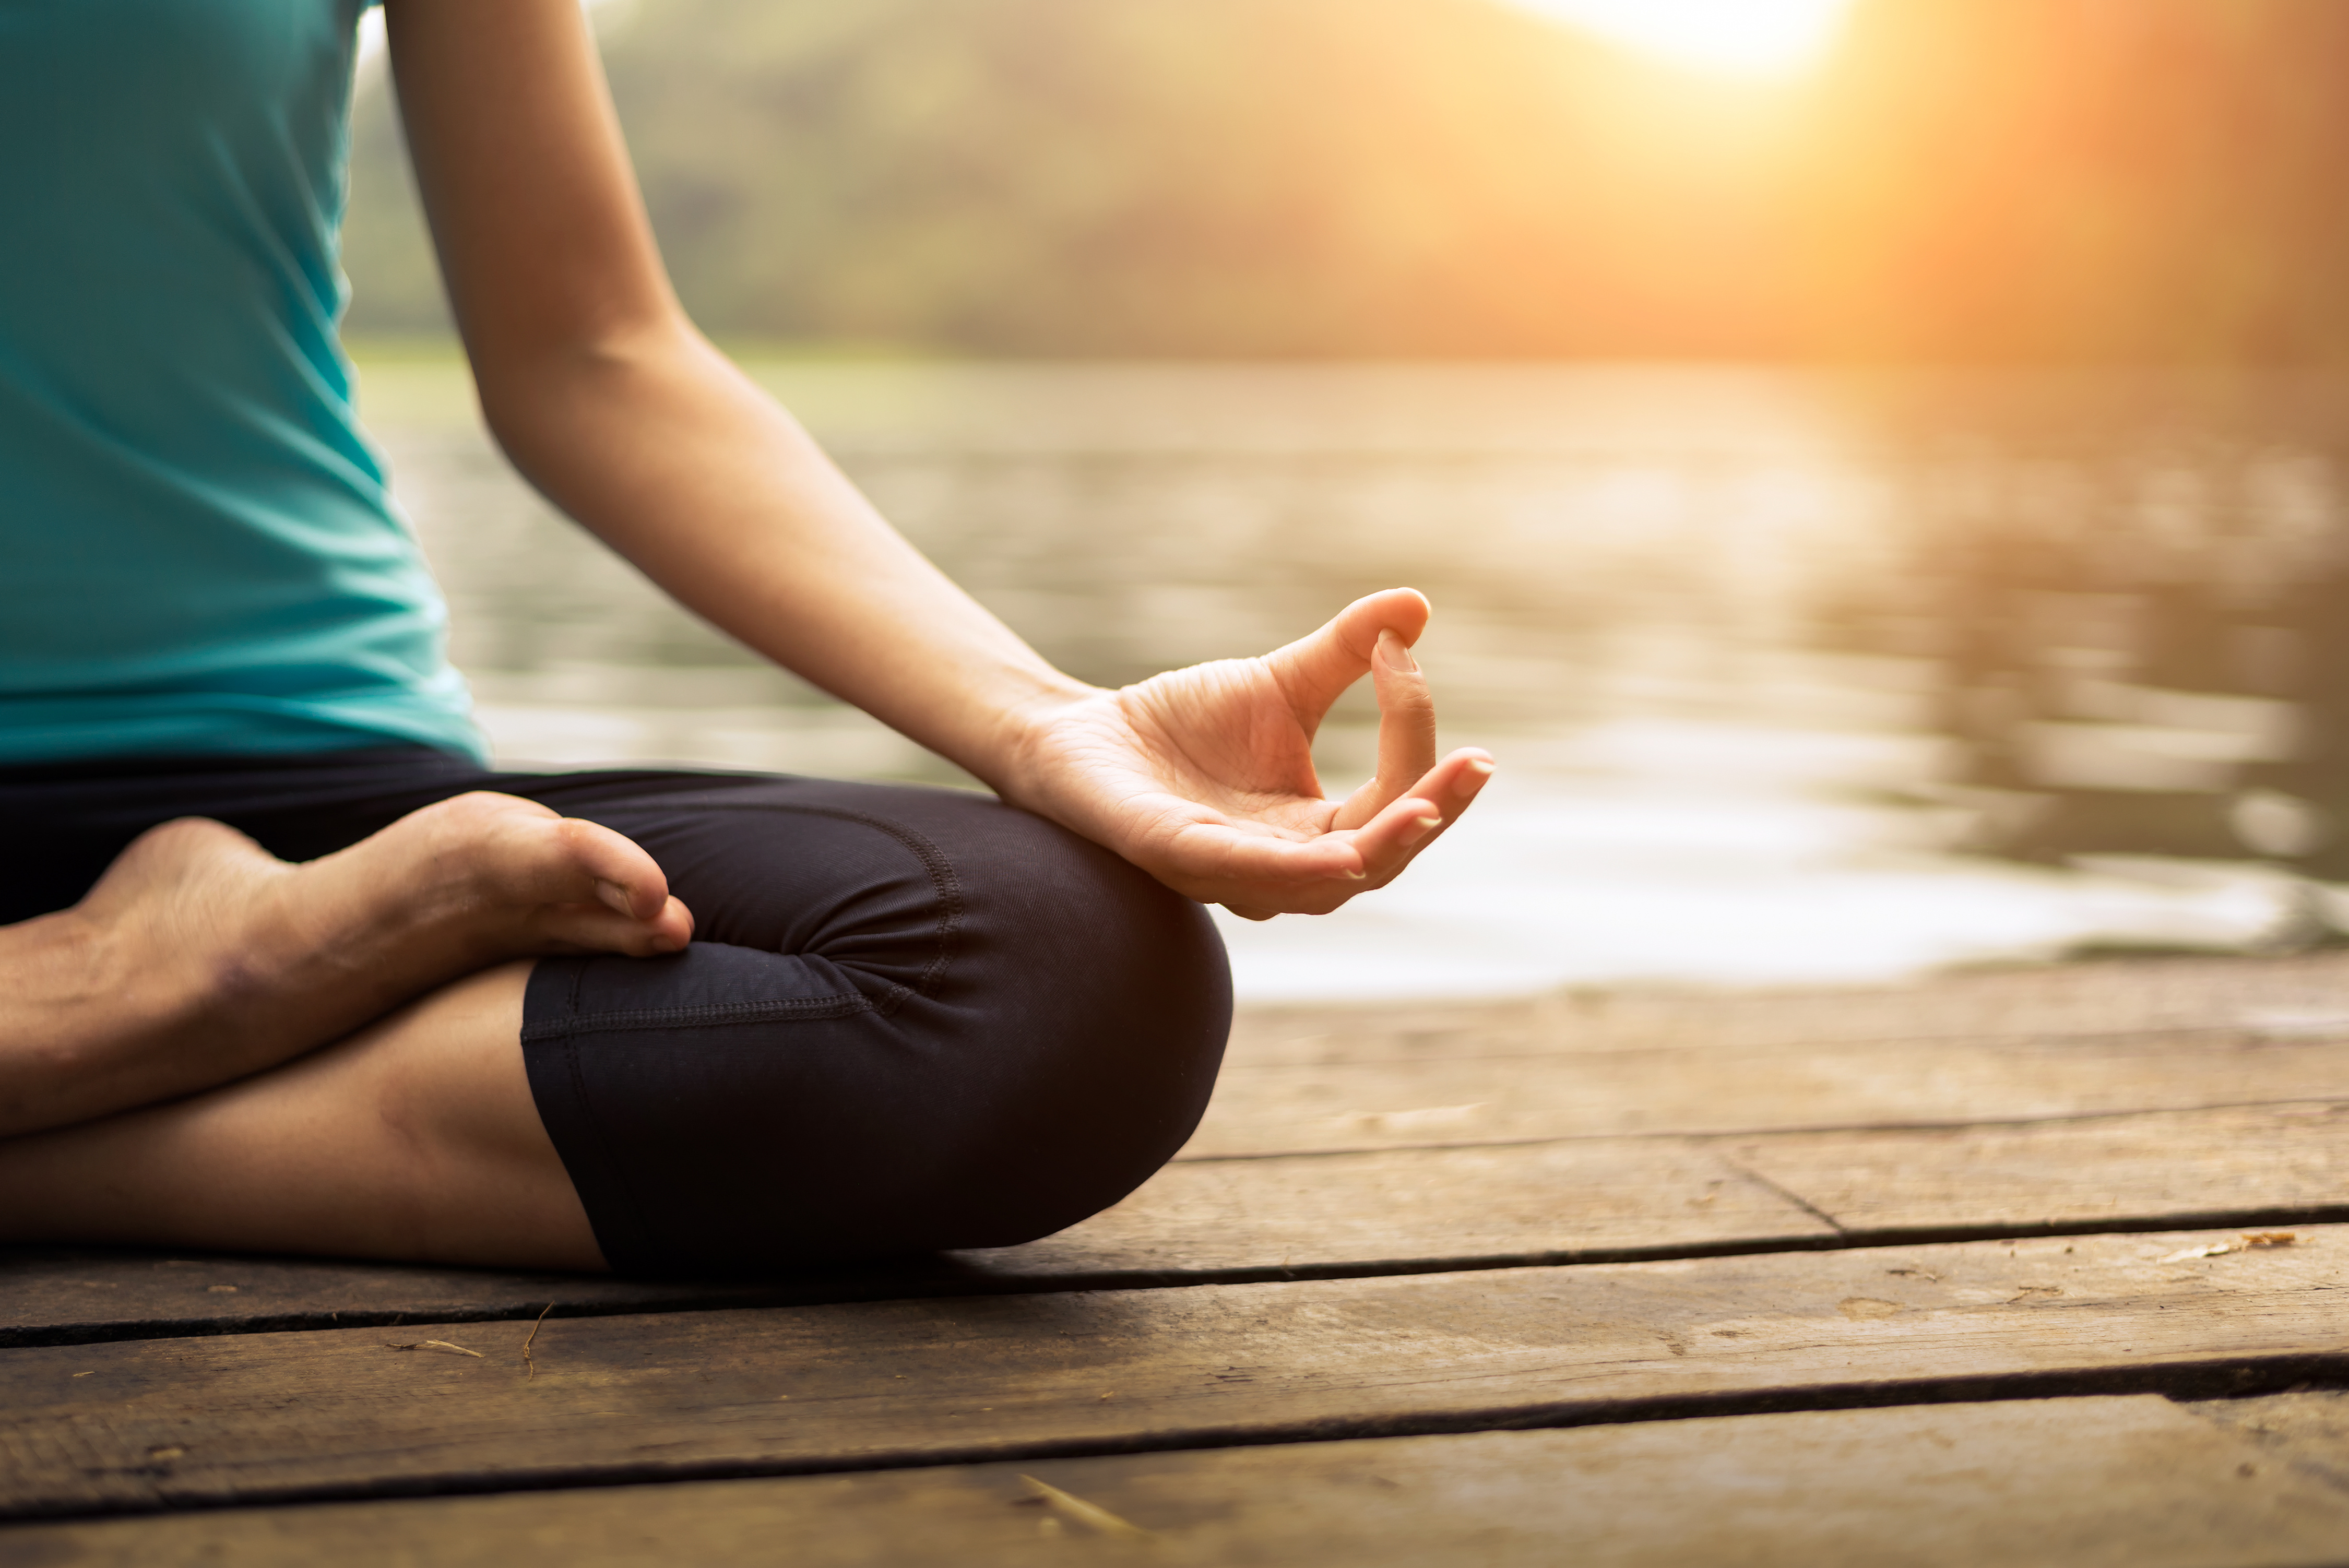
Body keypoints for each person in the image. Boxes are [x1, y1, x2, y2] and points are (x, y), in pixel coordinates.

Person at [0, 0, 1490, 1277]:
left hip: (309, 775)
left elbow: (594, 351)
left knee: (1055, 979)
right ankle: (129, 998)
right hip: (237, 927)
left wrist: (1042, 725)